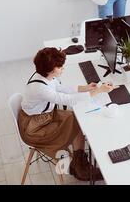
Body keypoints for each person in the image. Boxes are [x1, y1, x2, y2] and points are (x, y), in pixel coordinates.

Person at [18, 48, 115, 181]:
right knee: (76, 123)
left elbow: (61, 88)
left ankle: (79, 162)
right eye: (59, 66)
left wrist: (86, 87)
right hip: (35, 127)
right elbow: (66, 99)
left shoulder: (45, 76)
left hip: (45, 116)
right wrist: (98, 91)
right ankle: (80, 167)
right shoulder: (39, 88)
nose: (63, 68)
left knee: (76, 120)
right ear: (49, 69)